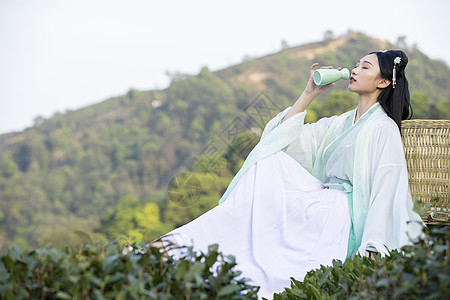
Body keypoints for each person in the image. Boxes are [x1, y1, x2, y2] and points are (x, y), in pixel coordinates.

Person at [161, 50, 424, 299]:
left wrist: (373, 246)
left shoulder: (383, 128)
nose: (355, 69)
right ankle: (178, 246)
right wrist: (309, 93)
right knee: (269, 162)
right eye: (356, 64)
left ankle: (185, 254)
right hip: (322, 201)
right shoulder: (340, 123)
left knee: (271, 231)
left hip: (341, 213)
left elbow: (386, 187)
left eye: (365, 67)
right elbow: (284, 139)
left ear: (382, 81)